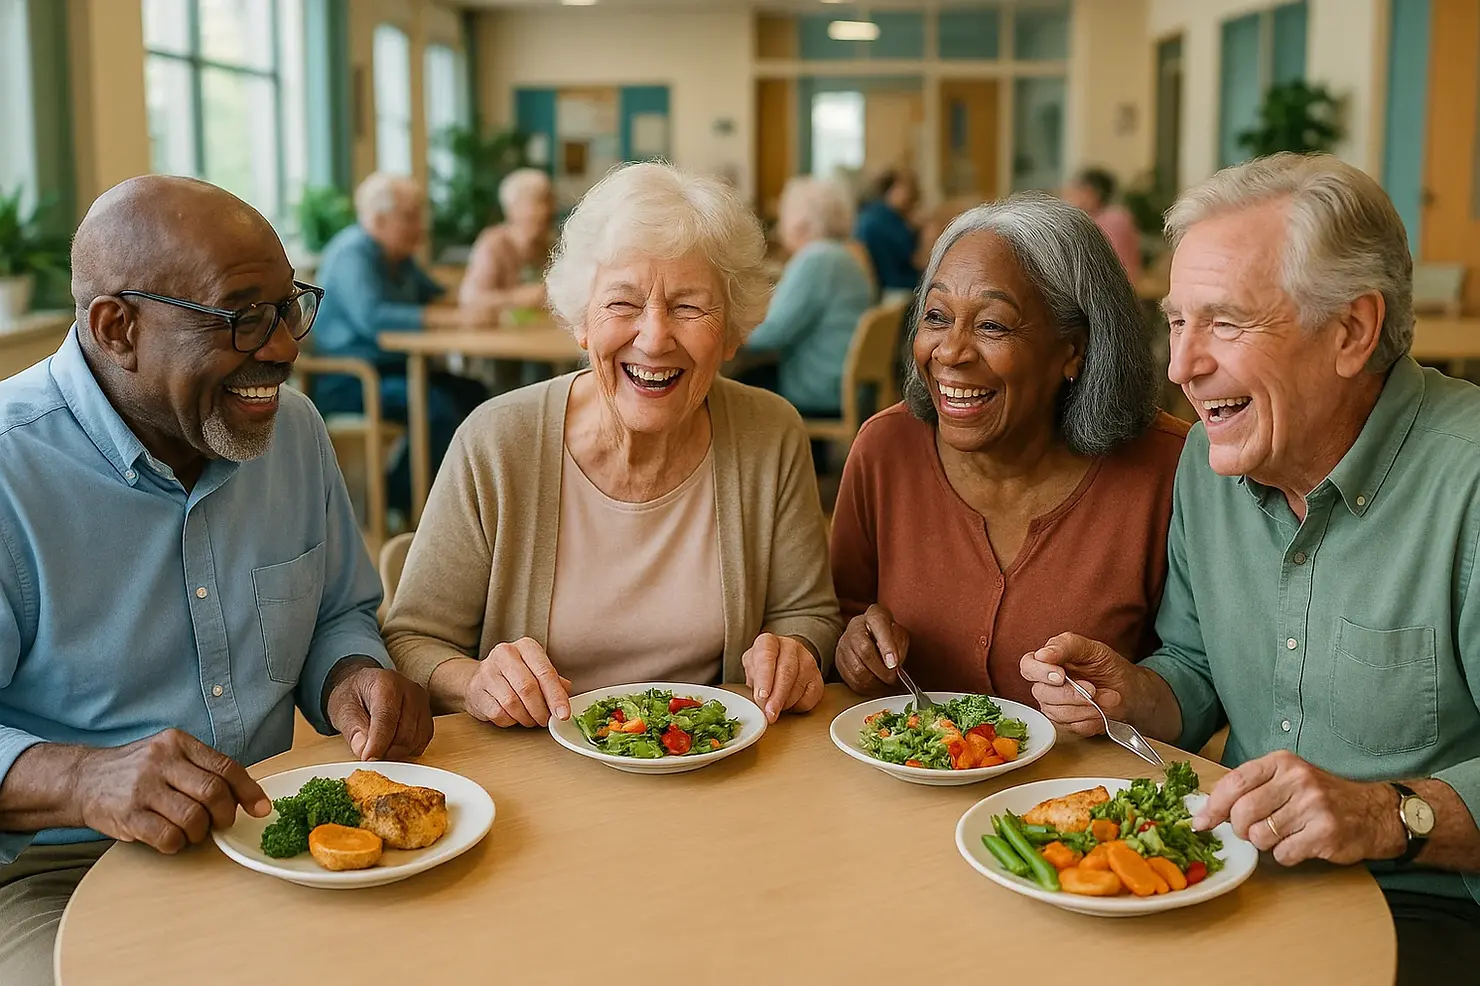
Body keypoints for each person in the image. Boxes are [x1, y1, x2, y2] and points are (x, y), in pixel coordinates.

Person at [1021, 153, 1480, 983]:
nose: (1180, 366)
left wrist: (1387, 814)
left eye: (1225, 323)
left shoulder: (1471, 484)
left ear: (1352, 331)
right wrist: (1137, 693)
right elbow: (1197, 666)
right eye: (1176, 322)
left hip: (1428, 905)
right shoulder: (1210, 460)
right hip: (1237, 877)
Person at [0, 176, 433, 985]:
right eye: (240, 317)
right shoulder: (8, 473)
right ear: (115, 327)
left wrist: (352, 676)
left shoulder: (291, 431)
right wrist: (83, 779)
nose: (282, 347)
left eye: (286, 307)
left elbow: (338, 610)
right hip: (54, 877)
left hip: (271, 836)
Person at [383, 162, 842, 728]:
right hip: (536, 777)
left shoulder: (770, 433)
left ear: (731, 332)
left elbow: (809, 613)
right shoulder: (498, 441)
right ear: (580, 321)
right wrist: (474, 680)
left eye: (688, 306)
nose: (653, 337)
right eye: (622, 303)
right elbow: (413, 640)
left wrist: (796, 652)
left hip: (712, 768)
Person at [831, 192, 1188, 707]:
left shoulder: (1168, 469)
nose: (950, 351)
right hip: (906, 783)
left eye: (992, 325)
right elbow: (842, 618)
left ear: (1073, 348)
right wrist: (854, 653)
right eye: (935, 316)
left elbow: (1194, 673)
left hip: (1090, 786)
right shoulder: (886, 450)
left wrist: (1132, 695)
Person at [310, 172, 491, 513]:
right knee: (436, 408)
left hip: (396, 368)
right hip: (350, 378)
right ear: (378, 220)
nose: (420, 226)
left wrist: (478, 304)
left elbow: (436, 296)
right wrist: (453, 318)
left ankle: (464, 501)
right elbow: (374, 317)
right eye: (410, 217)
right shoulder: (353, 254)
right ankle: (404, 502)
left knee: (475, 394)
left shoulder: (399, 256)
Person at [741, 176, 872, 418]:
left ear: (799, 222)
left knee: (732, 386)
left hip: (819, 388)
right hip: (846, 383)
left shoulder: (815, 259)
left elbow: (771, 334)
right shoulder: (846, 255)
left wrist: (726, 328)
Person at [458, 168, 555, 312]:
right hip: (497, 332)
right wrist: (516, 298)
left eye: (548, 202)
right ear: (511, 208)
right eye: (535, 203)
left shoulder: (552, 244)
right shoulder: (493, 244)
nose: (544, 211)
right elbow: (470, 299)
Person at [1061, 166, 1143, 282]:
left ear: (1091, 193)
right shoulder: (1090, 219)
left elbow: (1111, 265)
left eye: (1076, 191)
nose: (1068, 196)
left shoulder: (1114, 219)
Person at [855, 169, 922, 301]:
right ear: (891, 189)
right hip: (894, 287)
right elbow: (911, 255)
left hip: (883, 286)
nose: (909, 195)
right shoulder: (884, 220)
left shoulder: (871, 215)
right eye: (904, 188)